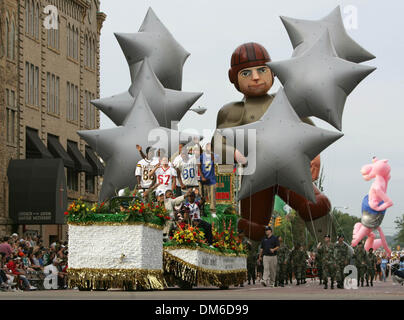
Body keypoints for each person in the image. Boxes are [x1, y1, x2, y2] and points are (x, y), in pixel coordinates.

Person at [214, 42, 333, 245]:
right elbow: (218, 142)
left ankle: (330, 245)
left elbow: (308, 131)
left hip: (289, 170)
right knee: (252, 224)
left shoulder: (284, 101)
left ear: (273, 72)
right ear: (233, 77)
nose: (256, 77)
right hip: (256, 175)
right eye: (246, 73)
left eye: (262, 70)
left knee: (314, 204)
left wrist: (315, 155)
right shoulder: (232, 111)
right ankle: (244, 263)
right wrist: (233, 153)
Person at [198, 143, 218, 218]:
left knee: (212, 196)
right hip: (203, 180)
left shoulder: (214, 155)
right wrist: (202, 177)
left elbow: (216, 160)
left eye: (209, 147)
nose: (208, 149)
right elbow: (199, 167)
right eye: (207, 147)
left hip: (211, 179)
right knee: (202, 196)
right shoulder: (201, 156)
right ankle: (201, 210)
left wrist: (211, 154)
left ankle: (213, 211)